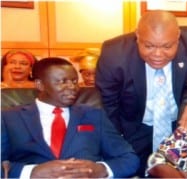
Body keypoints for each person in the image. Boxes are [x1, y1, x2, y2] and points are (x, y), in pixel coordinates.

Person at [95, 10, 187, 176]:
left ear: (178, 36)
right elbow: (109, 105)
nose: (157, 55)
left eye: (167, 46)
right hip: (134, 128)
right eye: (148, 46)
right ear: (137, 36)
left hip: (181, 129)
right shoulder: (114, 53)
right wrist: (118, 145)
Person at [1, 57, 139, 178]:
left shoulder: (94, 115)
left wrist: (101, 170)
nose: (72, 87)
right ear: (40, 85)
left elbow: (129, 158)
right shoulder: (8, 118)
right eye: (62, 81)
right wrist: (32, 172)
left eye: (74, 81)